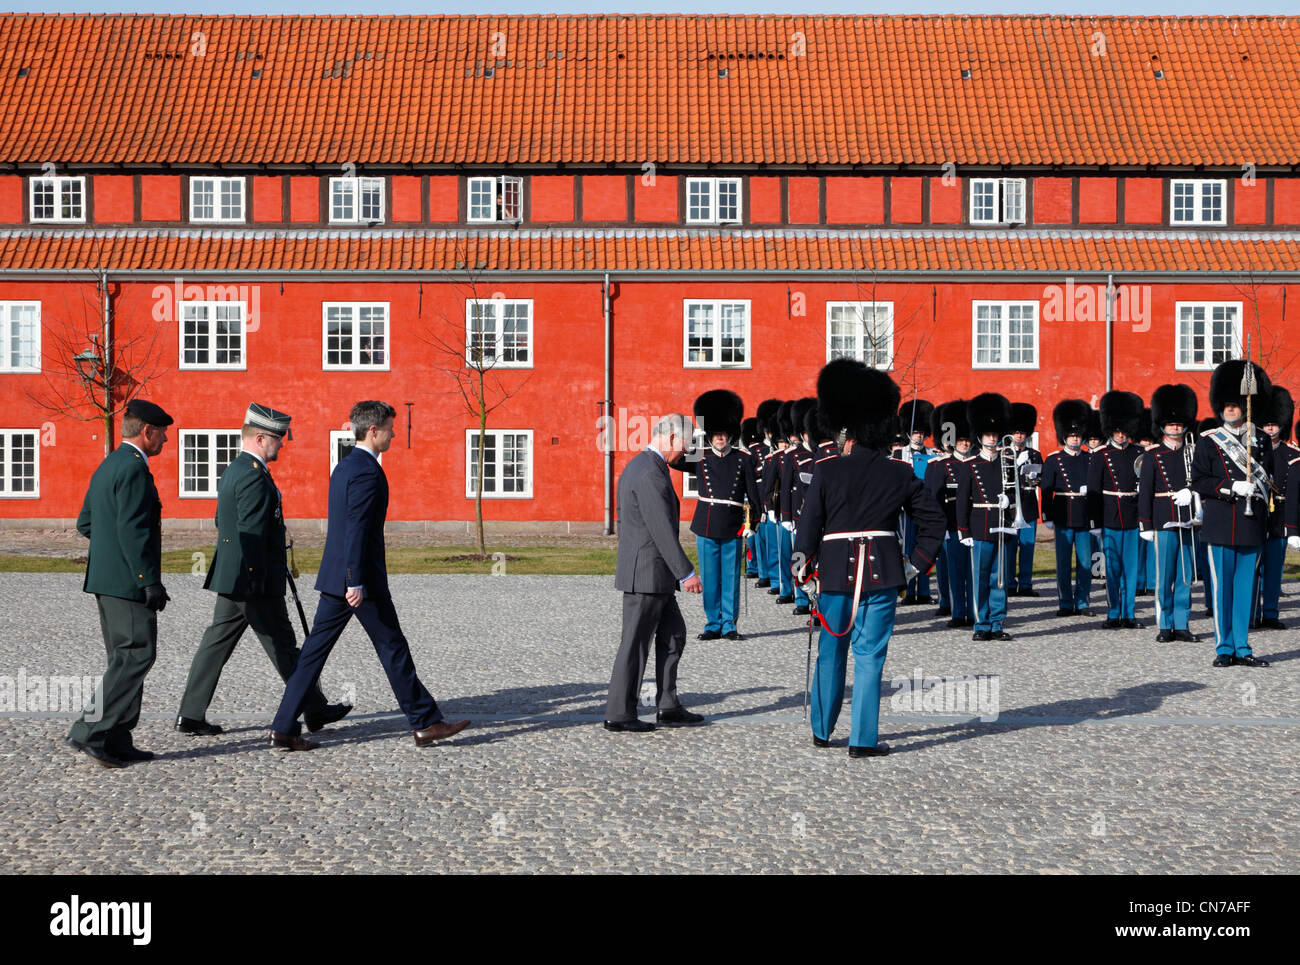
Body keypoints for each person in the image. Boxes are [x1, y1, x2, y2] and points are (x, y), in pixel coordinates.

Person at [269, 401, 469, 749]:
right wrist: (356, 579)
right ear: (373, 430)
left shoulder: (345, 466)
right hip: (358, 581)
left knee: (314, 654)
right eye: (390, 427)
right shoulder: (365, 471)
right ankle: (425, 722)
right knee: (392, 648)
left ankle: (283, 727)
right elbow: (356, 529)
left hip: (338, 578)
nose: (393, 433)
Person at [795, 358, 944, 757]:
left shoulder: (826, 471)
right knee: (870, 658)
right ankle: (862, 740)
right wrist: (915, 564)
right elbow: (933, 521)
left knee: (831, 649)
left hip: (835, 575)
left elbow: (809, 525)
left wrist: (800, 563)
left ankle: (822, 731)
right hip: (881, 574)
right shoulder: (897, 472)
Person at [176, 404, 352, 736]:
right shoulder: (254, 475)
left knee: (217, 643)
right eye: (278, 438)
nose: (282, 444)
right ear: (260, 438)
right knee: (283, 645)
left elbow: (221, 521)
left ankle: (190, 713)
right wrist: (260, 574)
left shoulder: (235, 469)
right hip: (253, 578)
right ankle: (313, 708)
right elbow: (252, 532)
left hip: (233, 575)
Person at [66, 399, 173, 768]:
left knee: (124, 659)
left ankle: (117, 736)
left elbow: (87, 523)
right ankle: (89, 730)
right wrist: (148, 580)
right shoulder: (132, 469)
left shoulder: (108, 464)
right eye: (162, 434)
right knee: (137, 655)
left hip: (107, 579)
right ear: (147, 432)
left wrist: (112, 557)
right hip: (128, 582)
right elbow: (133, 530)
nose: (165, 441)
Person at [604, 414, 707, 731]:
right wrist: (686, 573)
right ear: (673, 438)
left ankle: (668, 704)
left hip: (653, 573)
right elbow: (661, 530)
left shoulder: (646, 466)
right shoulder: (649, 472)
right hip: (647, 573)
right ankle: (620, 713)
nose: (685, 453)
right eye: (686, 445)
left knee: (674, 635)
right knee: (635, 643)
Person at [1191, 361, 1274, 668]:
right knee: (1222, 588)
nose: (1229, 410)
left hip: (1252, 524)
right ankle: (1224, 646)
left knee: (1245, 589)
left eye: (1234, 405)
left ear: (1244, 407)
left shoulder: (1261, 441)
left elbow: (1273, 484)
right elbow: (1199, 480)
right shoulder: (1209, 440)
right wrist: (1231, 487)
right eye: (1225, 405)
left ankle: (1242, 646)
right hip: (1221, 522)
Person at [687, 390, 759, 641]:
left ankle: (729, 623)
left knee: (730, 577)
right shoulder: (700, 455)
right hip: (706, 523)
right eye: (715, 433)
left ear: (730, 434)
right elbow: (675, 460)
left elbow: (754, 495)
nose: (719, 437)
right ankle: (712, 622)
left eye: (723, 433)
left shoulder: (743, 460)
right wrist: (698, 429)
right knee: (710, 576)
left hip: (732, 525)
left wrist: (754, 523)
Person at [1138, 385, 1199, 642]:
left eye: (1179, 424)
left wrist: (1192, 491)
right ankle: (1164, 623)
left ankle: (1182, 623)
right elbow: (1145, 492)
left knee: (1186, 574)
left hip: (1188, 518)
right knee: (1164, 575)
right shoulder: (1152, 456)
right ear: (1163, 425)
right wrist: (1146, 525)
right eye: (1170, 424)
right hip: (1163, 517)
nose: (1175, 428)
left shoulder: (1194, 452)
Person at [956, 393, 1019, 641]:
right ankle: (981, 624)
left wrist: (1010, 501)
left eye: (995, 434)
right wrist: (963, 531)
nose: (992, 438)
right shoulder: (970, 464)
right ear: (980, 437)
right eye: (988, 435)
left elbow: (1017, 492)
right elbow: (962, 500)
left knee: (1000, 579)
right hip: (980, 526)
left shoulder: (1007, 461)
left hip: (1003, 525)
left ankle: (997, 623)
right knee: (980, 579)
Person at [1088, 391, 1146, 630]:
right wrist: (1095, 522)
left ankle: (1129, 613)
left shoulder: (1139, 454)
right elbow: (1093, 489)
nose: (1121, 434)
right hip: (1110, 515)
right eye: (1117, 430)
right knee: (1112, 568)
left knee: (1131, 569)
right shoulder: (1101, 455)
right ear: (1111, 430)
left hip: (1132, 515)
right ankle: (1113, 612)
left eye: (1124, 431)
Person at [1040, 400, 1096, 617]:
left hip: (1083, 516)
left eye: (1077, 435)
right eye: (1071, 435)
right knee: (1063, 563)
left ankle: (1082, 602)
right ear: (1064, 436)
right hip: (1063, 514)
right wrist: (1046, 515)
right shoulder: (1054, 460)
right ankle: (1065, 602)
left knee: (1084, 562)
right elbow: (1046, 490)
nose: (1075, 438)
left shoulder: (1090, 459)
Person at [924, 400, 974, 628]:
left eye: (967, 439)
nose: (964, 443)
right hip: (952, 525)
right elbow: (934, 499)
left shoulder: (977, 464)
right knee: (955, 571)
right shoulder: (940, 465)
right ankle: (957, 611)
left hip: (975, 524)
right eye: (961, 440)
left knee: (974, 573)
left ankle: (973, 612)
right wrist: (939, 527)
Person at [1252, 386, 1293, 630]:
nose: (1269, 427)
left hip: (1280, 516)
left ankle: (1270, 612)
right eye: (1266, 423)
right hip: (1257, 514)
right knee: (1253, 566)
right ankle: (1252, 612)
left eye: (1274, 423)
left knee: (1275, 568)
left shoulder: (1291, 453)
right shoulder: (1253, 451)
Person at [896, 399, 938, 605]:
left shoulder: (932, 454)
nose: (918, 436)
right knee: (907, 548)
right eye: (915, 432)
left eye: (921, 432)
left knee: (926, 547)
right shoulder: (898, 454)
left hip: (925, 507)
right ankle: (907, 590)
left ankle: (923, 591)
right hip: (905, 508)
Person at [782, 397, 818, 616]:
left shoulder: (822, 454)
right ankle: (801, 597)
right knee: (800, 557)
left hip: (819, 516)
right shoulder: (792, 456)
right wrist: (786, 516)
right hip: (799, 514)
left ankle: (817, 600)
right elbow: (786, 487)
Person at [1006, 403, 1042, 596]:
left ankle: (1026, 584)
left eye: (1022, 432)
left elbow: (1039, 479)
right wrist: (1015, 464)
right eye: (1016, 432)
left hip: (1028, 507)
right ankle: (1011, 584)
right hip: (1011, 507)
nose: (1019, 435)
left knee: (1028, 549)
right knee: (1011, 548)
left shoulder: (1034, 454)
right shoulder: (1004, 454)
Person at [758, 400, 787, 596]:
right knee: (776, 550)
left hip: (790, 507)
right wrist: (767, 506)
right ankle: (777, 581)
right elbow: (768, 484)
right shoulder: (771, 458)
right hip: (776, 506)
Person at [739, 416, 765, 579]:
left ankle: (753, 566)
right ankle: (763, 569)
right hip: (767, 498)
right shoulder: (767, 452)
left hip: (752, 495)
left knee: (751, 533)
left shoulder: (748, 454)